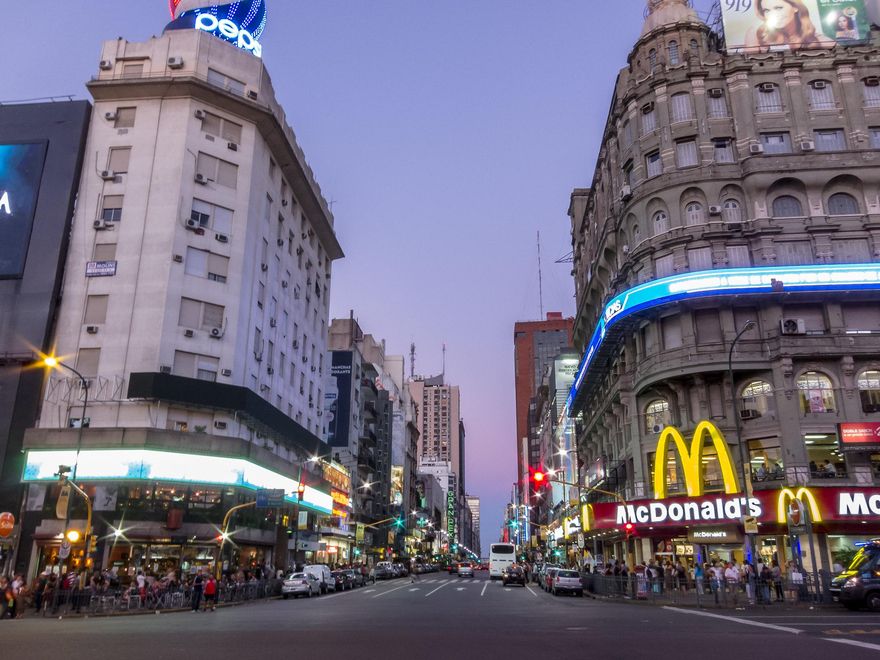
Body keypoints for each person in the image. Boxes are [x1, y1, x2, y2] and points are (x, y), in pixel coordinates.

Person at [743, 0, 836, 52]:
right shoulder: (756, 33)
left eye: (778, 8)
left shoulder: (820, 40)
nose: (773, 15)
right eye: (767, 10)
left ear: (795, 7)